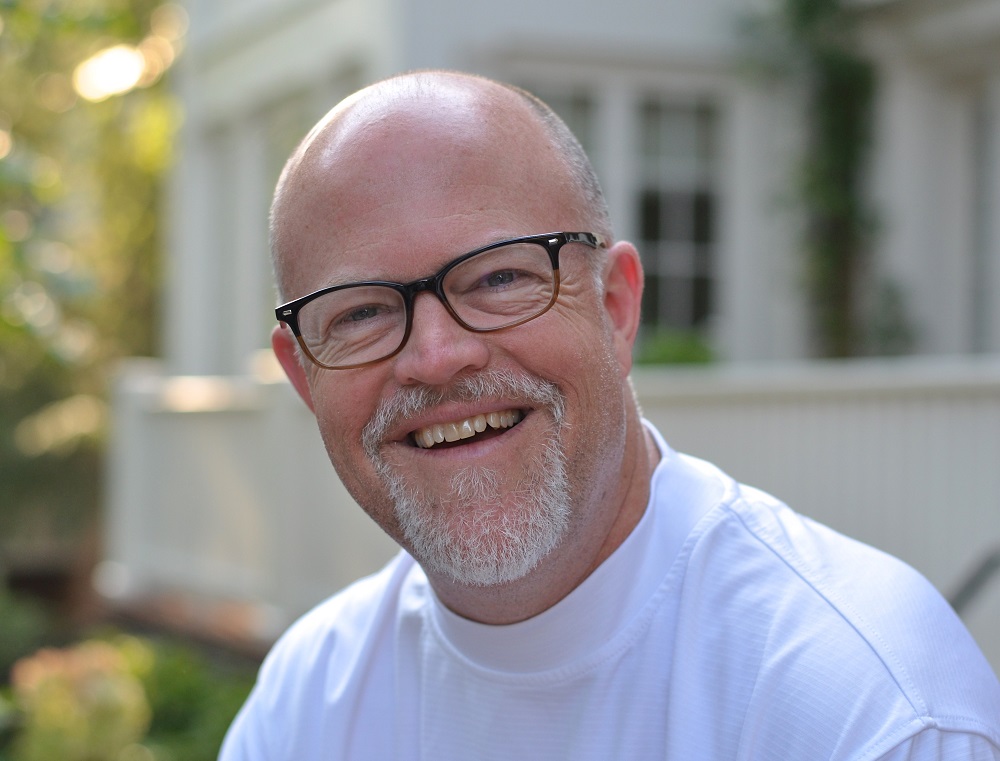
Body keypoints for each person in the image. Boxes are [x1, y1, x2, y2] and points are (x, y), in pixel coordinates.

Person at [219, 70, 1000, 760]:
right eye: (359, 313)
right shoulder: (305, 704)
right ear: (303, 375)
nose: (436, 355)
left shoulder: (865, 705)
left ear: (617, 307)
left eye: (499, 278)